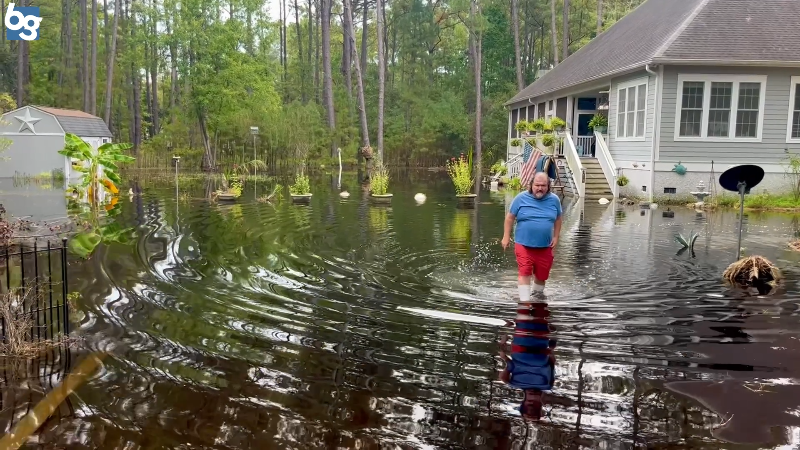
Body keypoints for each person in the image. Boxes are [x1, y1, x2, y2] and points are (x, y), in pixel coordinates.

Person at [501, 171, 562, 300]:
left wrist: (556, 236)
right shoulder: (521, 198)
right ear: (531, 184)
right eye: (537, 185)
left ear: (548, 186)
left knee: (542, 275)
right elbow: (510, 218)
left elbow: (558, 219)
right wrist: (506, 236)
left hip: (546, 245)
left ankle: (537, 298)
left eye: (543, 185)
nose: (540, 188)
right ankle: (524, 303)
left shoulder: (554, 200)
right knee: (525, 272)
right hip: (523, 244)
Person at [498, 299, 556, 421]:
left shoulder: (515, 383)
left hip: (521, 346)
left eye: (530, 402)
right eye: (536, 403)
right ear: (540, 403)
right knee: (541, 314)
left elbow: (504, 374)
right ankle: (539, 294)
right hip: (540, 345)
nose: (534, 398)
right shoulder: (547, 385)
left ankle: (523, 295)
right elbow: (551, 363)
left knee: (523, 316)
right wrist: (551, 348)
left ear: (524, 401)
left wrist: (504, 357)